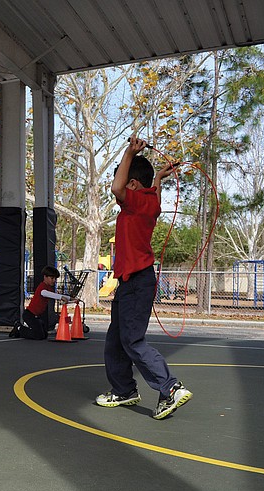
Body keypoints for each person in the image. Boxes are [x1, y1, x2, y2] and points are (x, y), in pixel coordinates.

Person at [95, 137, 192, 420]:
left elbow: (117, 188)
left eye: (124, 178)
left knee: (132, 341)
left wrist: (129, 153)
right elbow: (153, 192)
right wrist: (159, 176)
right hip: (130, 283)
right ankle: (124, 390)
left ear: (133, 185)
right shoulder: (150, 202)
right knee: (115, 340)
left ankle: (170, 388)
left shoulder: (135, 202)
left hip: (138, 282)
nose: (119, 184)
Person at [10, 265, 68, 340]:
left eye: (55, 279)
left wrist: (71, 298)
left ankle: (24, 330)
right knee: (39, 335)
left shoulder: (48, 288)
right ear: (45, 277)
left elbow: (55, 294)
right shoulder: (42, 287)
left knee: (44, 335)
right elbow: (45, 293)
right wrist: (61, 297)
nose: (54, 280)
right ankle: (19, 328)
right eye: (52, 278)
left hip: (36, 316)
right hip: (29, 315)